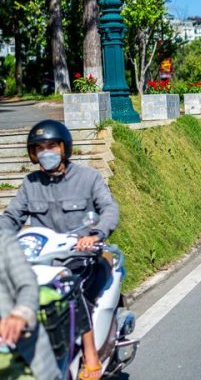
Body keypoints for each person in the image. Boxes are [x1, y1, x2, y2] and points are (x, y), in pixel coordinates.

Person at [0, 120, 119, 379]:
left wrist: (95, 234)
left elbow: (109, 210)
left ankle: (90, 358)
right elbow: (11, 217)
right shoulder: (31, 183)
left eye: (52, 146)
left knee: (71, 290)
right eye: (39, 148)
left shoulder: (89, 178)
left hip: (80, 258)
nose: (46, 152)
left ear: (64, 148)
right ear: (33, 154)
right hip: (42, 260)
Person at [0, 229, 60, 380]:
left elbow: (28, 284)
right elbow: (13, 215)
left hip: (17, 356)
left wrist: (20, 315)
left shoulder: (4, 240)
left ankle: (91, 355)